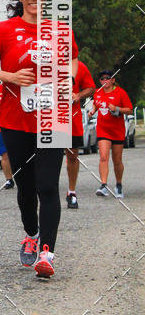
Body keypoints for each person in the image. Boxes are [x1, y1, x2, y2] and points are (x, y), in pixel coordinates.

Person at [0, 0, 78, 279]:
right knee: (25, 188)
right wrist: (10, 77)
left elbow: (73, 61)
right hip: (15, 120)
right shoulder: (3, 30)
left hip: (53, 119)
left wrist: (66, 77)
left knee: (48, 186)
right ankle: (32, 234)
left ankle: (47, 253)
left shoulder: (61, 30)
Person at [89, 70, 133, 198]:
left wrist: (117, 109)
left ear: (113, 80)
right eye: (102, 79)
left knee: (117, 160)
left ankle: (119, 184)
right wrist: (92, 111)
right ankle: (103, 185)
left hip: (117, 130)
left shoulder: (120, 92)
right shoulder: (97, 92)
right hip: (103, 130)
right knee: (103, 156)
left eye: (107, 78)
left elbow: (130, 110)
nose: (104, 81)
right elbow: (95, 105)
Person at [65, 60, 96, 209]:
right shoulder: (45, 63)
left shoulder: (79, 66)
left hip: (72, 117)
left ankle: (71, 192)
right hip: (49, 117)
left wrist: (78, 95)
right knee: (48, 156)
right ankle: (46, 192)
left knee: (72, 154)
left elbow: (91, 88)